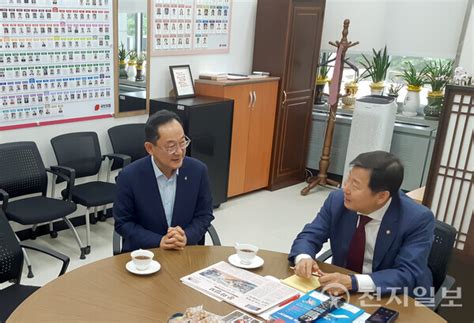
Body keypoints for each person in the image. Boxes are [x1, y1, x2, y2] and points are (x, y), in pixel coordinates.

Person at [289, 151, 434, 297]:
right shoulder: (337, 201)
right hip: (342, 291)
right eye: (348, 180)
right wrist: (303, 257)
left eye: (355, 186)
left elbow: (407, 274)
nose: (345, 189)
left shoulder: (417, 219)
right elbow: (310, 235)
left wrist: (353, 282)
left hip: (393, 296)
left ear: (382, 196)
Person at [113, 110, 214, 252]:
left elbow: (204, 215)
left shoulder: (198, 171)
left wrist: (186, 237)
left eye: (182, 142)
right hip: (144, 255)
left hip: (185, 252)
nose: (179, 152)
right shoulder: (129, 176)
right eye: (171, 146)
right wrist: (158, 241)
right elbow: (123, 223)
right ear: (150, 148)